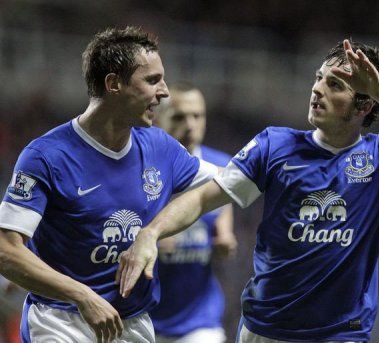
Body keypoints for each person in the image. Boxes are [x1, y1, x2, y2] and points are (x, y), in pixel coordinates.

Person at [117, 39, 379, 342]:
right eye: (319, 78)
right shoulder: (275, 145)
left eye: (334, 85)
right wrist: (152, 231)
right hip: (265, 330)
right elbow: (206, 196)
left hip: (340, 335)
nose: (317, 89)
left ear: (363, 107)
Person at [0, 26, 218, 343]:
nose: (165, 92)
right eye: (152, 80)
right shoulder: (46, 156)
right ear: (114, 83)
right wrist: (81, 295)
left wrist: (152, 232)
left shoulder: (160, 147)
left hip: (133, 324)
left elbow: (225, 185)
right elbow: (6, 250)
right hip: (61, 322)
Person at [151, 83, 237, 343]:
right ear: (156, 119)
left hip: (199, 320)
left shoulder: (221, 165)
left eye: (197, 116)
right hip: (144, 317)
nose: (190, 124)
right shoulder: (144, 168)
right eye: (179, 116)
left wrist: (224, 237)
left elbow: (224, 209)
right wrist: (150, 237)